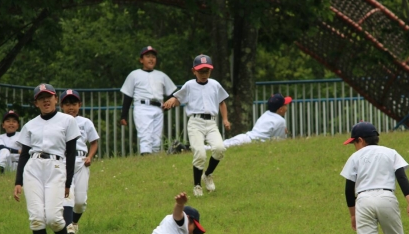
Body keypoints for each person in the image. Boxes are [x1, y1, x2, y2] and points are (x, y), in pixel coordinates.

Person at [13, 83, 81, 234]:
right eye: (41, 98)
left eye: (48, 96)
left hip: (56, 167)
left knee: (53, 217)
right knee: (36, 218)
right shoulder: (30, 125)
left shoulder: (68, 121)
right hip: (33, 168)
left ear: (55, 99)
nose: (45, 100)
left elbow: (71, 153)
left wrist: (68, 182)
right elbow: (24, 155)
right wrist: (18, 181)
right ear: (36, 103)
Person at [163, 55, 231, 197]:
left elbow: (222, 102)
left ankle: (207, 174)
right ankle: (197, 185)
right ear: (194, 71)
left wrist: (225, 119)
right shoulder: (189, 85)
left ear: (210, 71)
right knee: (199, 153)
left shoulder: (214, 84)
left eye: (207, 71)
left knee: (219, 148)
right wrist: (171, 101)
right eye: (201, 71)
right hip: (195, 122)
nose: (204, 74)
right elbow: (178, 98)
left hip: (211, 122)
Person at [119, 46, 177, 155]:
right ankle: (146, 159)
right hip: (142, 107)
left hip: (158, 108)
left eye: (153, 57)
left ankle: (154, 163)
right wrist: (123, 115)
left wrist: (168, 106)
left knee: (156, 139)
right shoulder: (134, 74)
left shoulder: (161, 75)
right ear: (141, 60)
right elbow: (128, 96)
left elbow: (173, 94)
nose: (151, 59)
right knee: (145, 136)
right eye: (148, 56)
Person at [59, 89, 99, 234]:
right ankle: (68, 225)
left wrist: (90, 156)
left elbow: (94, 142)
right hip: (63, 161)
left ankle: (74, 222)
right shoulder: (58, 122)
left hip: (81, 162)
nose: (71, 107)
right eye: (67, 104)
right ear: (61, 106)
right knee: (67, 194)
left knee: (81, 201)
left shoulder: (85, 122)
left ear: (80, 105)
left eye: (74, 103)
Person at [204, 93, 291, 151]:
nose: (287, 108)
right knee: (220, 147)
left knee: (222, 145)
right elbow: (279, 142)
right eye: (285, 105)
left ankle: (202, 148)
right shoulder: (281, 121)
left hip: (245, 137)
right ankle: (202, 148)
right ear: (280, 109)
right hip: (250, 142)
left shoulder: (266, 114)